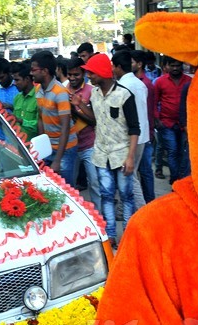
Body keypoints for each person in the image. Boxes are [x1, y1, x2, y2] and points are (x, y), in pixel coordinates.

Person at [75, 53, 140, 248]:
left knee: (126, 196)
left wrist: (130, 158)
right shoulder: (94, 94)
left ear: (102, 73)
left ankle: (128, 234)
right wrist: (80, 107)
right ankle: (110, 234)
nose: (89, 77)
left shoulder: (125, 95)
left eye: (91, 73)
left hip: (121, 155)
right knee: (106, 195)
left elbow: (135, 128)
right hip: (101, 154)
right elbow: (95, 118)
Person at [113, 50, 154, 205]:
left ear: (118, 67)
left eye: (113, 66)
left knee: (129, 176)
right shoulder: (140, 83)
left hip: (130, 136)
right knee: (131, 174)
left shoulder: (123, 86)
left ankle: (142, 211)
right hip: (141, 136)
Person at [30, 50, 77, 187]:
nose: (31, 73)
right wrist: (41, 146)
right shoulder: (38, 89)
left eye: (34, 70)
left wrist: (57, 159)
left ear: (44, 71)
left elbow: (65, 127)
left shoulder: (60, 92)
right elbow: (40, 118)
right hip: (49, 147)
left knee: (67, 189)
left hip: (66, 149)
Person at [66, 58, 100, 212]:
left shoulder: (92, 91)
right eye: (69, 75)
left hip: (89, 145)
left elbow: (94, 120)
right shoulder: (63, 91)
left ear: (84, 74)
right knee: (69, 186)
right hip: (70, 147)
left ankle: (100, 217)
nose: (72, 78)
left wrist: (75, 109)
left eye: (76, 75)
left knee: (94, 183)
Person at [152, 57, 192, 183]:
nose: (175, 68)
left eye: (177, 65)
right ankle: (175, 179)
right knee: (172, 151)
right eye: (172, 65)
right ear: (166, 66)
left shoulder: (189, 81)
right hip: (167, 123)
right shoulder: (160, 82)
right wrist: (157, 120)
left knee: (182, 152)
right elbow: (154, 102)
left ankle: (181, 179)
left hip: (184, 124)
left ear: (182, 66)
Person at [11, 62, 39, 140]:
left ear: (27, 79)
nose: (14, 83)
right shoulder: (17, 98)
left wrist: (20, 121)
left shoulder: (39, 97)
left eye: (17, 80)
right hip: (19, 145)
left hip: (35, 147)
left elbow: (40, 126)